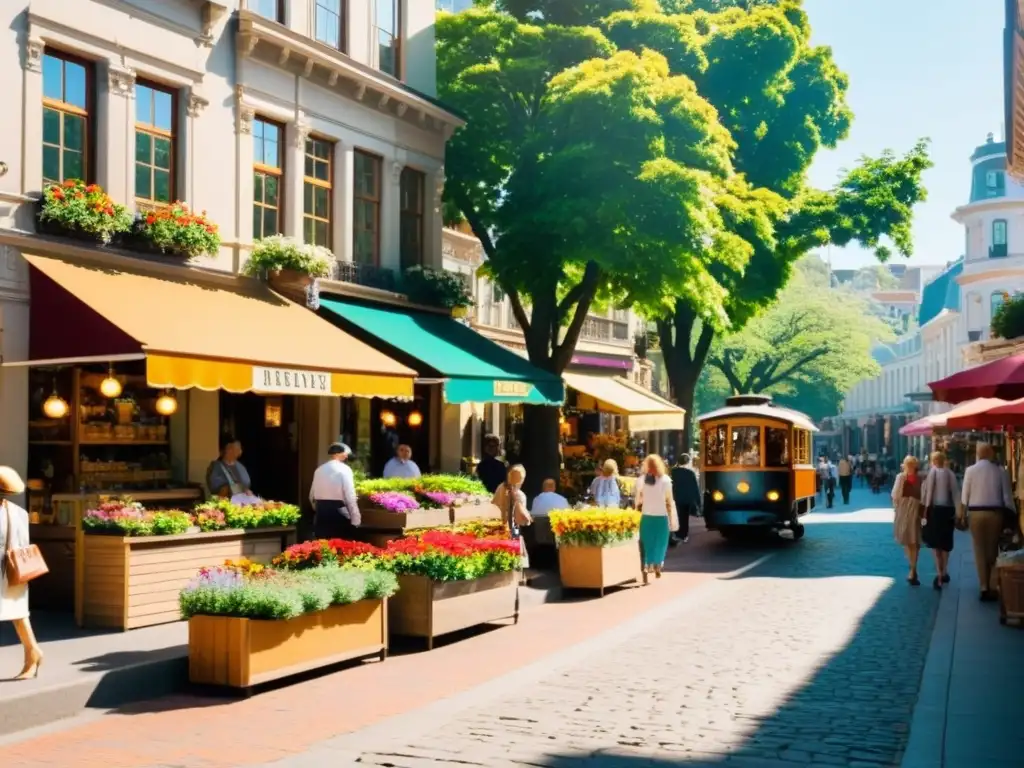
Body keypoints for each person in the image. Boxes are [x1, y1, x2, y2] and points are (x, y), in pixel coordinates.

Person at [0, 466, 43, 680]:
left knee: (18, 615)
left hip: (5, 573)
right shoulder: (20, 513)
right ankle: (33, 653)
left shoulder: (10, 514)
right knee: (18, 615)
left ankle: (33, 654)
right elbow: (22, 544)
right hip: (14, 571)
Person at [961, 442, 1015, 602]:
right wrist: (1013, 515)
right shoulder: (1000, 472)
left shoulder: (970, 471)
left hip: (975, 513)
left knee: (979, 548)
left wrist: (962, 514)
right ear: (991, 453)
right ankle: (992, 584)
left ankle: (983, 585)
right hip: (994, 512)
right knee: (992, 548)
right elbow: (1007, 497)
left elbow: (965, 496)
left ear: (977, 454)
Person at [634, 454, 678, 584]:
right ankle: (658, 565)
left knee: (647, 542)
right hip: (661, 515)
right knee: (661, 542)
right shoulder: (665, 480)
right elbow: (669, 501)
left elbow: (638, 499)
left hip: (646, 516)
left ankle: (647, 565)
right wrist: (671, 518)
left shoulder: (642, 480)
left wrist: (637, 508)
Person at [921, 451, 962, 591]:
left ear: (933, 461)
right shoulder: (950, 473)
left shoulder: (933, 472)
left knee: (935, 543)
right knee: (945, 542)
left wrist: (925, 510)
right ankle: (944, 571)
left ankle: (939, 573)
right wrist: (959, 512)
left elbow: (929, 493)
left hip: (935, 511)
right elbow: (956, 493)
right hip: (948, 511)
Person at [309, 442, 361, 540]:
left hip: (321, 512)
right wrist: (356, 519)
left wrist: (318, 509)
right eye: (345, 454)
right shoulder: (345, 469)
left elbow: (311, 496)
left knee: (322, 546)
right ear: (339, 454)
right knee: (339, 546)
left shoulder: (319, 470)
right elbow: (350, 496)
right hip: (338, 512)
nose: (346, 456)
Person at [892, 455, 924, 586]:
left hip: (905, 510)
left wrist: (896, 507)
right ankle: (913, 567)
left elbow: (895, 495)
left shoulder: (901, 477)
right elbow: (924, 495)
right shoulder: (921, 478)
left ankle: (912, 568)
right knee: (915, 541)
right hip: (916, 510)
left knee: (907, 540)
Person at [492, 465, 532, 568]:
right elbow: (521, 520)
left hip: (497, 527)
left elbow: (493, 505)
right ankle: (515, 573)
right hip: (514, 528)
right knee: (515, 551)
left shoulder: (500, 487)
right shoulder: (521, 496)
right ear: (522, 480)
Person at [670, 453, 701, 545]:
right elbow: (695, 488)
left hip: (675, 497)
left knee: (676, 516)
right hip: (686, 499)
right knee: (684, 518)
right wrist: (698, 502)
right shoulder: (690, 473)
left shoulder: (673, 472)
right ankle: (683, 535)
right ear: (688, 462)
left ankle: (676, 533)